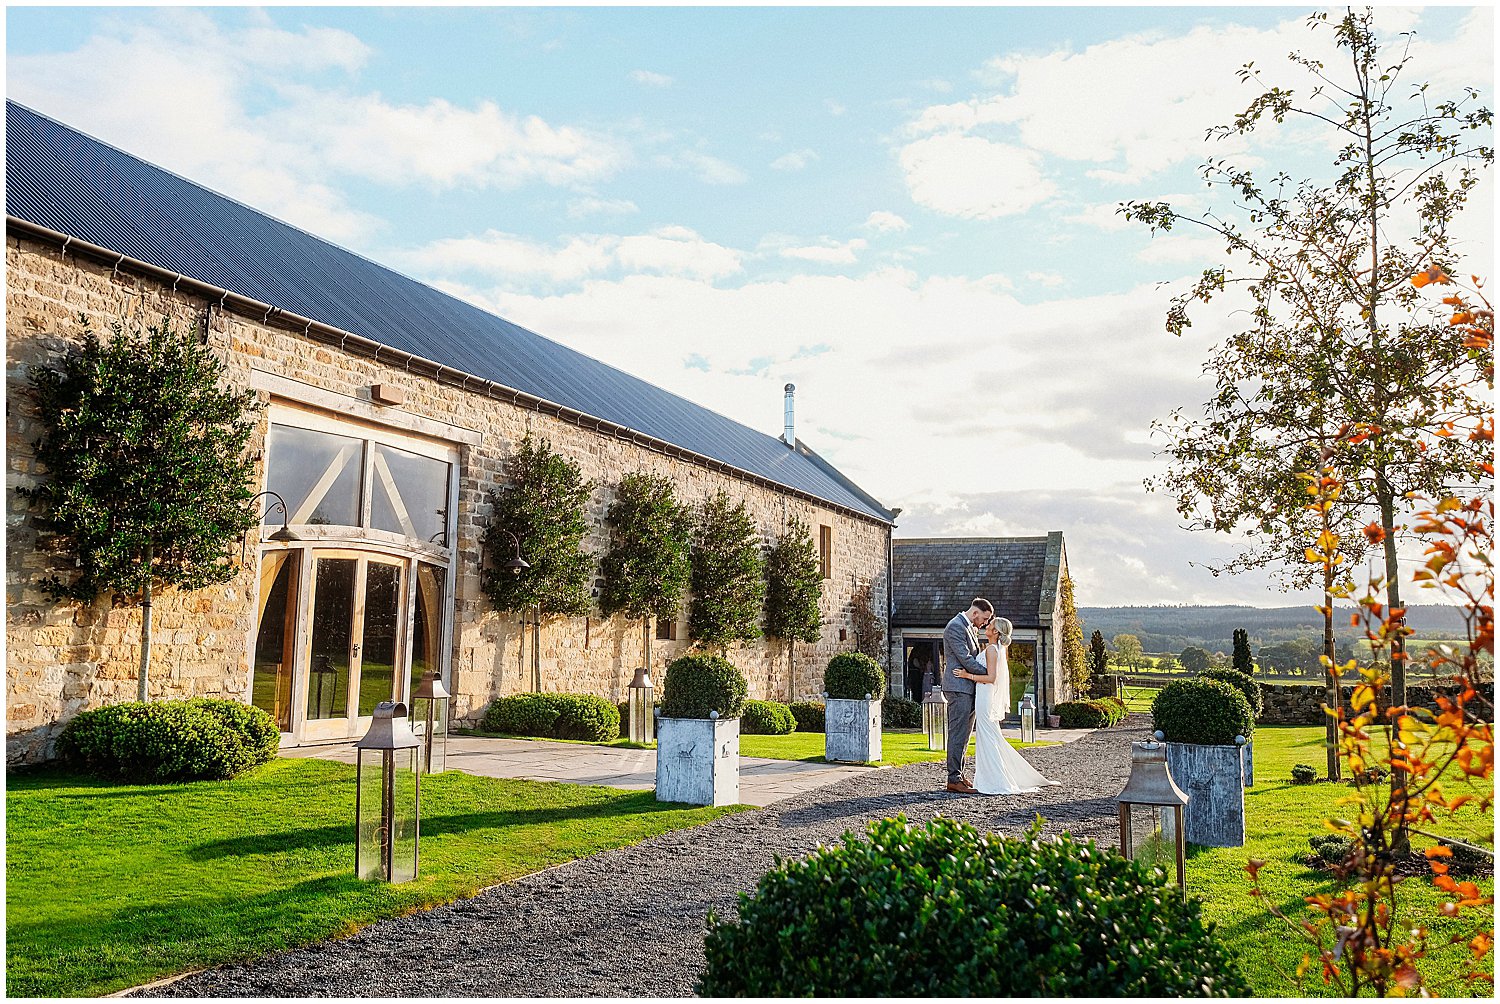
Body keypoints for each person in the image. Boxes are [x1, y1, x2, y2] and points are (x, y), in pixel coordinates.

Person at [956, 617, 1059, 795]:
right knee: (991, 737)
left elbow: (991, 678)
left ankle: (994, 780)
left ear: (995, 632)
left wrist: (967, 676)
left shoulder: (991, 650)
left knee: (988, 737)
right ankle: (992, 777)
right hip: (984, 695)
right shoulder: (997, 649)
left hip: (985, 696)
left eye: (990, 625)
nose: (987, 625)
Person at [941, 598, 993, 794]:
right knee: (958, 733)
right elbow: (966, 659)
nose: (985, 623)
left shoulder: (968, 627)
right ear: (975, 613)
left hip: (967, 687)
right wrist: (990, 675)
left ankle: (959, 774)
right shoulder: (955, 627)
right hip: (958, 687)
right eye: (985, 618)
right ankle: (953, 778)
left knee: (964, 735)